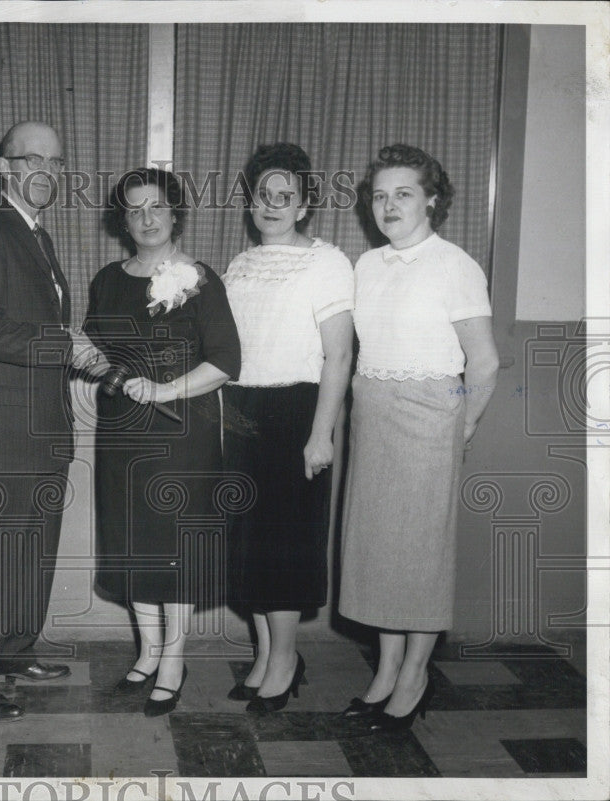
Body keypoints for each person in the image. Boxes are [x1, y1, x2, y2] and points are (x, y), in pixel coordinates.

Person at [338, 143, 500, 731]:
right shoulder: (366, 265)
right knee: (379, 552)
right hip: (374, 416)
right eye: (379, 195)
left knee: (422, 557)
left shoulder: (455, 264)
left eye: (402, 193)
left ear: (432, 198)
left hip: (431, 418)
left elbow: (483, 364)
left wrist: (459, 426)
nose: (388, 206)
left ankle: (415, 675)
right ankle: (384, 670)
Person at [84, 167, 241, 717]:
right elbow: (95, 351)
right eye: (134, 209)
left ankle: (174, 657)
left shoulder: (200, 278)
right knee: (135, 543)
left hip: (182, 434)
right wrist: (106, 370)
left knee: (174, 549)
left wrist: (163, 389)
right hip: (123, 435)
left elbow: (226, 362)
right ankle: (148, 650)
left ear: (176, 214)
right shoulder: (107, 278)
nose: (146, 218)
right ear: (122, 218)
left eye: (157, 207)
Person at [0, 121, 93, 720]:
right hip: (5, 429)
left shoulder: (35, 235)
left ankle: (13, 651)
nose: (47, 172)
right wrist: (62, 342)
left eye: (57, 162)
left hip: (40, 428)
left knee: (31, 554)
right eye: (33, 159)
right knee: (0, 556)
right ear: (4, 169)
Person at [222, 144, 354, 714]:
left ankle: (285, 660)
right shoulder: (242, 263)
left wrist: (321, 432)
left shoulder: (327, 262)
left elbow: (341, 356)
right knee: (247, 544)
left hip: (296, 412)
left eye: (286, 197)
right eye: (263, 196)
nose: (272, 206)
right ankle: (263, 654)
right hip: (241, 410)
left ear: (304, 206)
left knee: (283, 544)